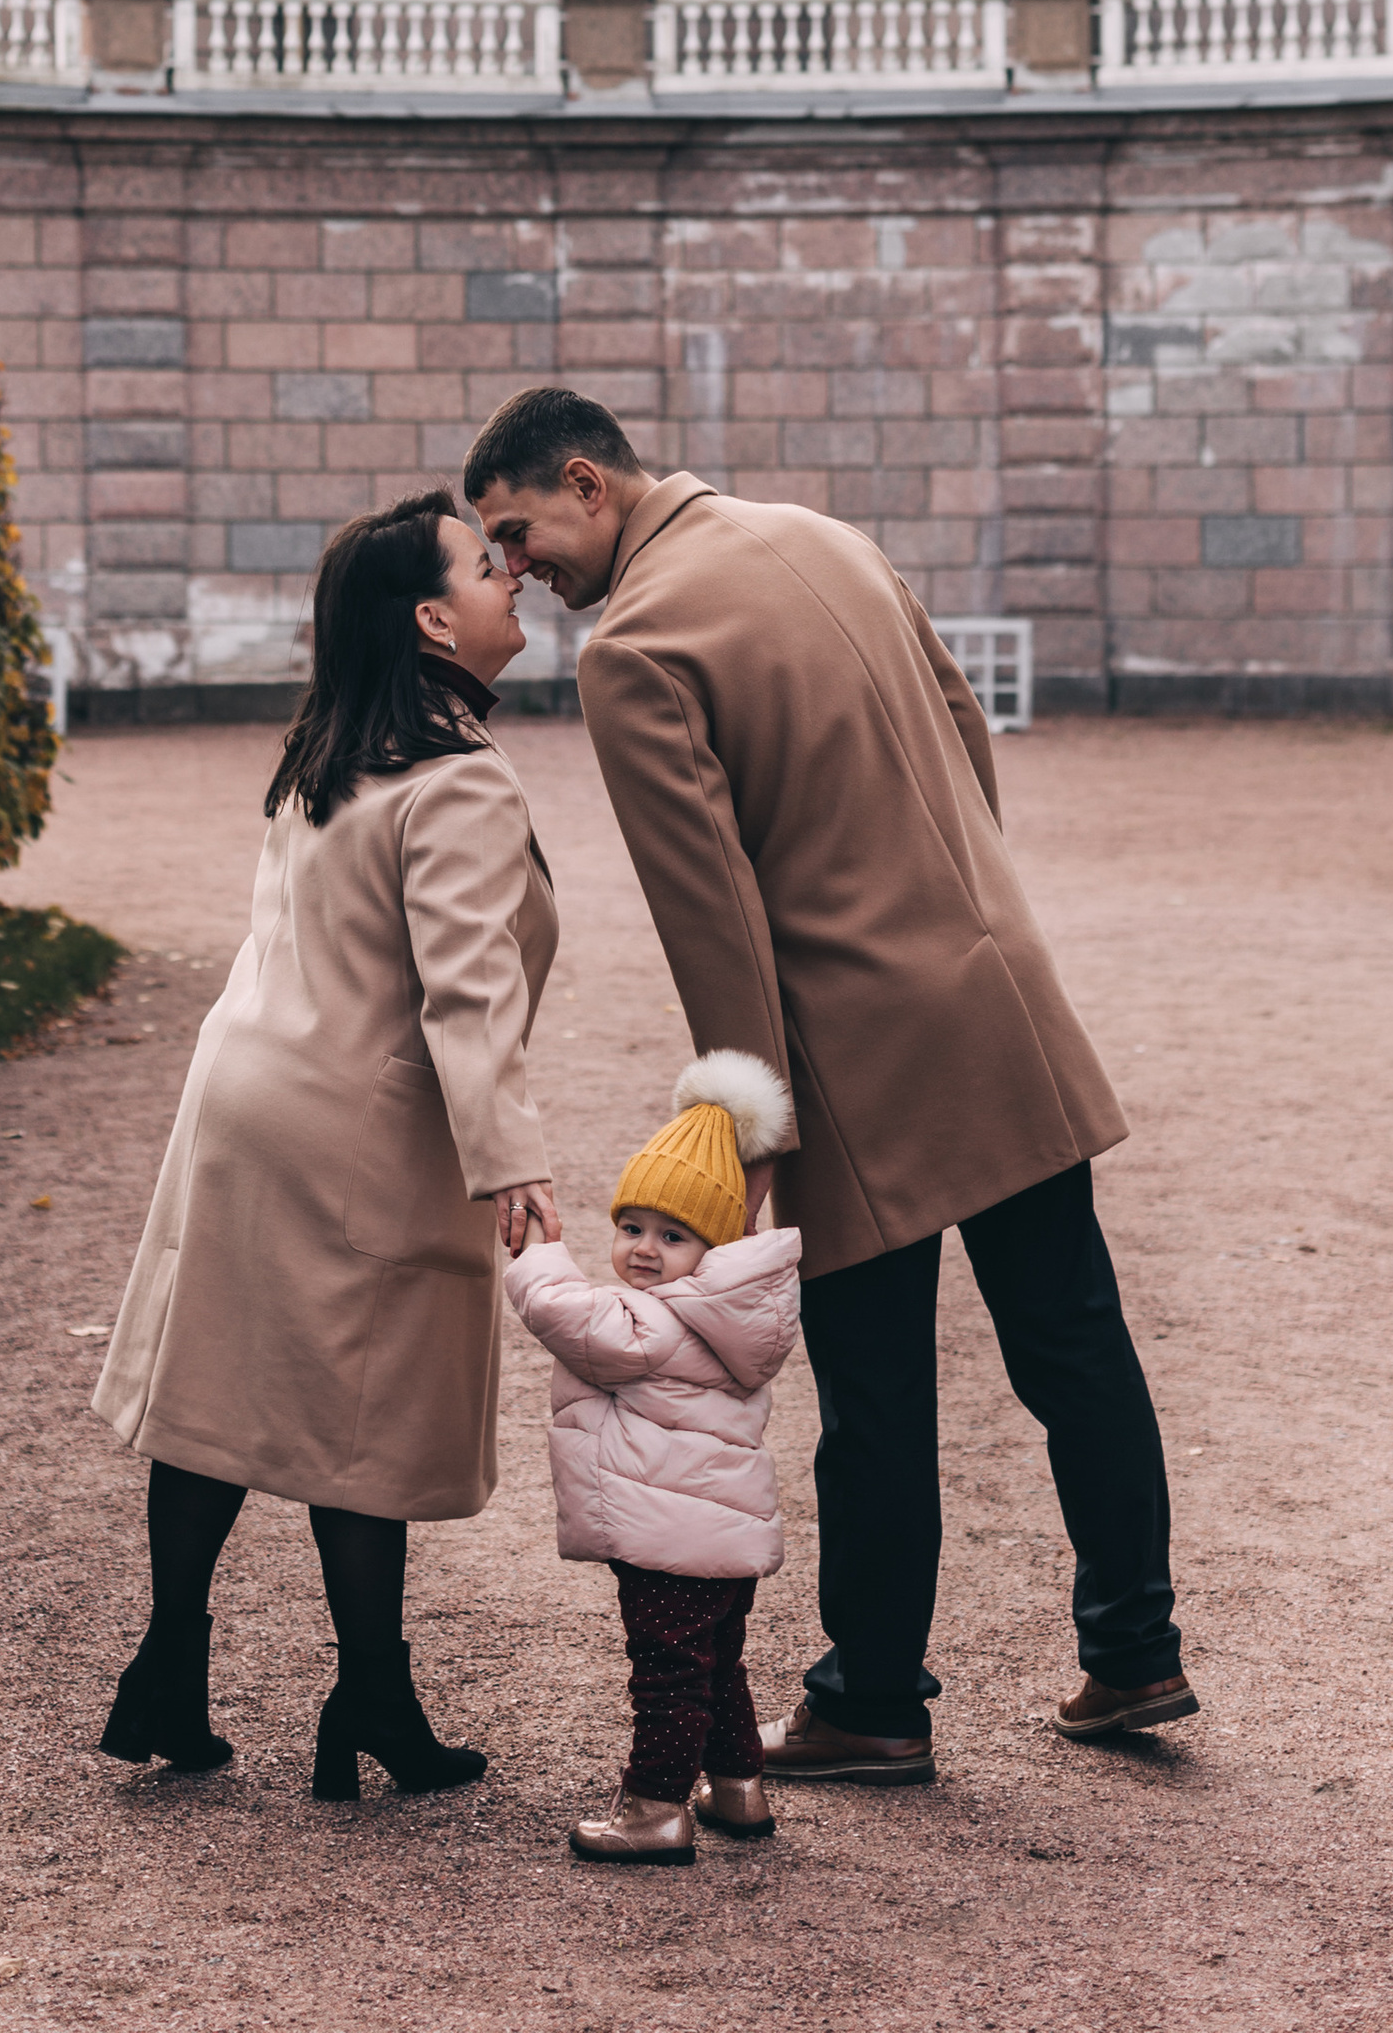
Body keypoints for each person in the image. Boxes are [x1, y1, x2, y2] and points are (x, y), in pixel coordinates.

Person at [466, 387, 1194, 1783]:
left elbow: (713, 913)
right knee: (1075, 1341)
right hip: (993, 988)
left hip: (853, 1049)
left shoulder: (635, 649)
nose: (515, 568)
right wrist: (962, 906)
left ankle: (872, 1701)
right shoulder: (819, 532)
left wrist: (745, 1128)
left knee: (875, 1397)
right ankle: (1134, 1651)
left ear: (586, 483)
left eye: (518, 531)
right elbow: (964, 732)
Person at [91, 487, 561, 1799]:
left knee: (219, 1388)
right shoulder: (456, 779)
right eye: (484, 565)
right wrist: (510, 1156)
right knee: (366, 1410)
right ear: (431, 619)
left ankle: (170, 1668)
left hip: (247, 1098)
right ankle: (370, 1697)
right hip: (357, 1123)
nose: (510, 576)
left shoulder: (333, 749)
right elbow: (467, 988)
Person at [505, 1051, 802, 1865]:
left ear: (715, 1247)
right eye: (632, 1227)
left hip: (672, 1540)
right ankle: (738, 1789)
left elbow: (565, 1314)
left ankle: (655, 1808)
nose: (644, 1250)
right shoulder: (729, 1312)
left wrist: (539, 1251)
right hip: (717, 1537)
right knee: (719, 1665)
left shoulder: (658, 1323)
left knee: (667, 1674)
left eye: (673, 1237)